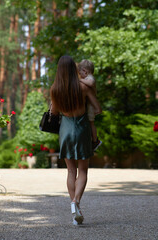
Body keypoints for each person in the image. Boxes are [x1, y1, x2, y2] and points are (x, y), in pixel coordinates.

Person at [50, 55, 102, 226]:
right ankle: (76, 203)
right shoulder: (82, 87)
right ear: (74, 69)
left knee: (70, 172)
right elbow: (98, 109)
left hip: (65, 130)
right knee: (83, 171)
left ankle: (74, 212)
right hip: (81, 129)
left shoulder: (55, 90)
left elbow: (54, 112)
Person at [77, 59, 102, 151]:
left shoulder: (90, 78)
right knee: (89, 123)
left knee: (91, 123)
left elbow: (90, 83)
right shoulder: (87, 78)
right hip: (89, 104)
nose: (80, 76)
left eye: (80, 74)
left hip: (91, 105)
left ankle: (95, 141)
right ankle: (93, 139)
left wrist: (80, 81)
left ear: (85, 71)